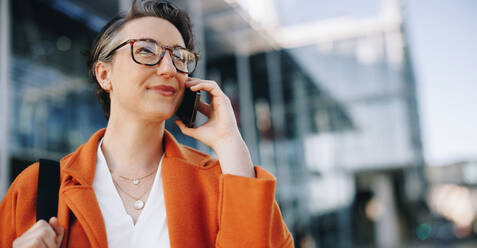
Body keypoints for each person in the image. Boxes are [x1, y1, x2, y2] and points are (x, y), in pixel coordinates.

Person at [0, 0, 294, 247]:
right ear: (104, 75)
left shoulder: (223, 182)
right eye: (145, 50)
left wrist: (231, 143)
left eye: (180, 57)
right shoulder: (37, 187)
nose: (168, 68)